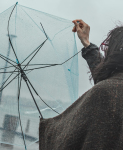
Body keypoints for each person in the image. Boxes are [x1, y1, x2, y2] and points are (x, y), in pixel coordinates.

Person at [39, 19, 123, 150]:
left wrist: (47, 127)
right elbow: (110, 81)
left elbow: (68, 138)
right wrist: (87, 44)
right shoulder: (111, 88)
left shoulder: (104, 92)